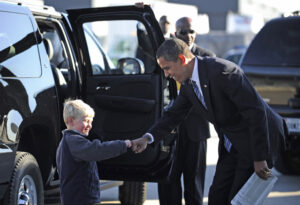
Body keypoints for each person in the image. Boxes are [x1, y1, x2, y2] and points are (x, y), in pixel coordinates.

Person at [131, 38, 286, 205]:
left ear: (182, 60)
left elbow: (256, 112)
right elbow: (173, 115)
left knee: (239, 200)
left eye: (167, 68)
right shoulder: (188, 85)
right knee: (217, 197)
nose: (166, 74)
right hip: (232, 144)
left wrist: (260, 158)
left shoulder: (224, 72)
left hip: (257, 140)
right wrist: (147, 138)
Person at [157, 17, 215, 205]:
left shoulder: (207, 57)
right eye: (184, 32)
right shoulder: (166, 54)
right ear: (175, 33)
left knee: (194, 180)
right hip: (170, 130)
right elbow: (147, 45)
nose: (188, 36)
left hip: (196, 129)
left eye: (191, 31)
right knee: (168, 179)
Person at [56, 99, 132, 205]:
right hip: (82, 200)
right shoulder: (75, 141)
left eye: (91, 122)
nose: (89, 125)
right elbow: (98, 150)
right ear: (70, 121)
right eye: (86, 120)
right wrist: (122, 144)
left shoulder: (66, 142)